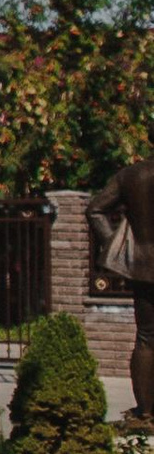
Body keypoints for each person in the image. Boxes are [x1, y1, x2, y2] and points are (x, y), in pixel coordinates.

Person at [88, 156, 154, 425]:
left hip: (142, 266)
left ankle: (146, 410)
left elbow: (95, 209)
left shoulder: (131, 175)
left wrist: (114, 246)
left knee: (147, 337)